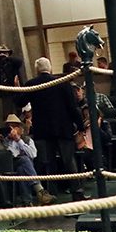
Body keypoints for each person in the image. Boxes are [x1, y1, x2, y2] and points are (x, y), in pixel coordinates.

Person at [26, 57, 86, 201]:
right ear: (50, 68)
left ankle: (51, 193)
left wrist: (18, 86)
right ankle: (76, 192)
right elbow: (73, 108)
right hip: (62, 128)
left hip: (43, 130)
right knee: (69, 161)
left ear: (36, 70)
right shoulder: (62, 83)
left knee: (48, 163)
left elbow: (19, 101)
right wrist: (81, 126)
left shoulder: (31, 84)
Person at [0, 114, 54, 206]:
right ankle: (40, 190)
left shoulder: (26, 140)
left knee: (22, 168)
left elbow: (33, 154)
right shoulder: (2, 141)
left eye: (14, 126)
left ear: (20, 128)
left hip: (22, 168)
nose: (12, 129)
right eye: (9, 127)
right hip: (6, 166)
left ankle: (27, 202)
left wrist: (18, 140)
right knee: (24, 160)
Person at [0, 44, 25, 114]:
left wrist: (7, 58)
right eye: (0, 53)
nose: (2, 55)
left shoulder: (12, 62)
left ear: (8, 53)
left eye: (5, 53)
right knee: (6, 112)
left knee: (17, 111)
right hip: (4, 92)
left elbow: (19, 62)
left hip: (15, 91)